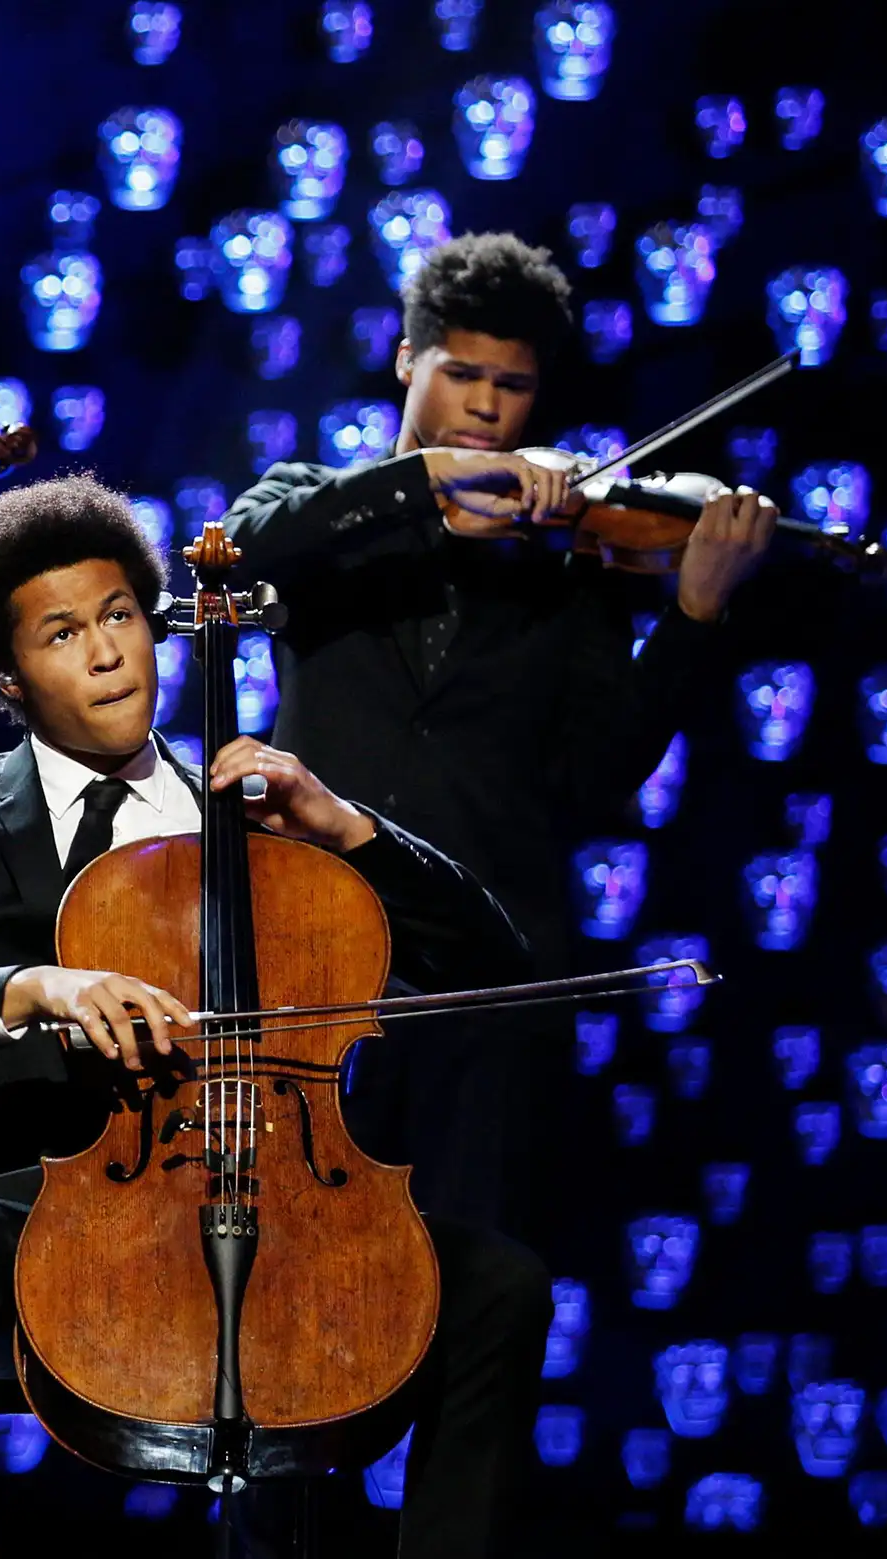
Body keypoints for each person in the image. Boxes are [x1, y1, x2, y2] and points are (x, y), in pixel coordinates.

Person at [0, 476, 592, 1559]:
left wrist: (348, 828)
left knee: (502, 1285)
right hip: (57, 1193)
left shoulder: (252, 803)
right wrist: (29, 988)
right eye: (64, 633)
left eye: (122, 614)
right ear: (8, 670)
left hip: (287, 1186)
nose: (109, 648)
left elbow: (492, 963)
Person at [221, 231, 776, 1235]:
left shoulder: (570, 565)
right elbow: (246, 547)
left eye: (510, 386)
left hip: (490, 976)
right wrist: (425, 487)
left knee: (480, 1287)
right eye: (459, 374)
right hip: (307, 956)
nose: (483, 406)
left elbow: (594, 778)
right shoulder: (323, 509)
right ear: (405, 361)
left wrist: (691, 620)